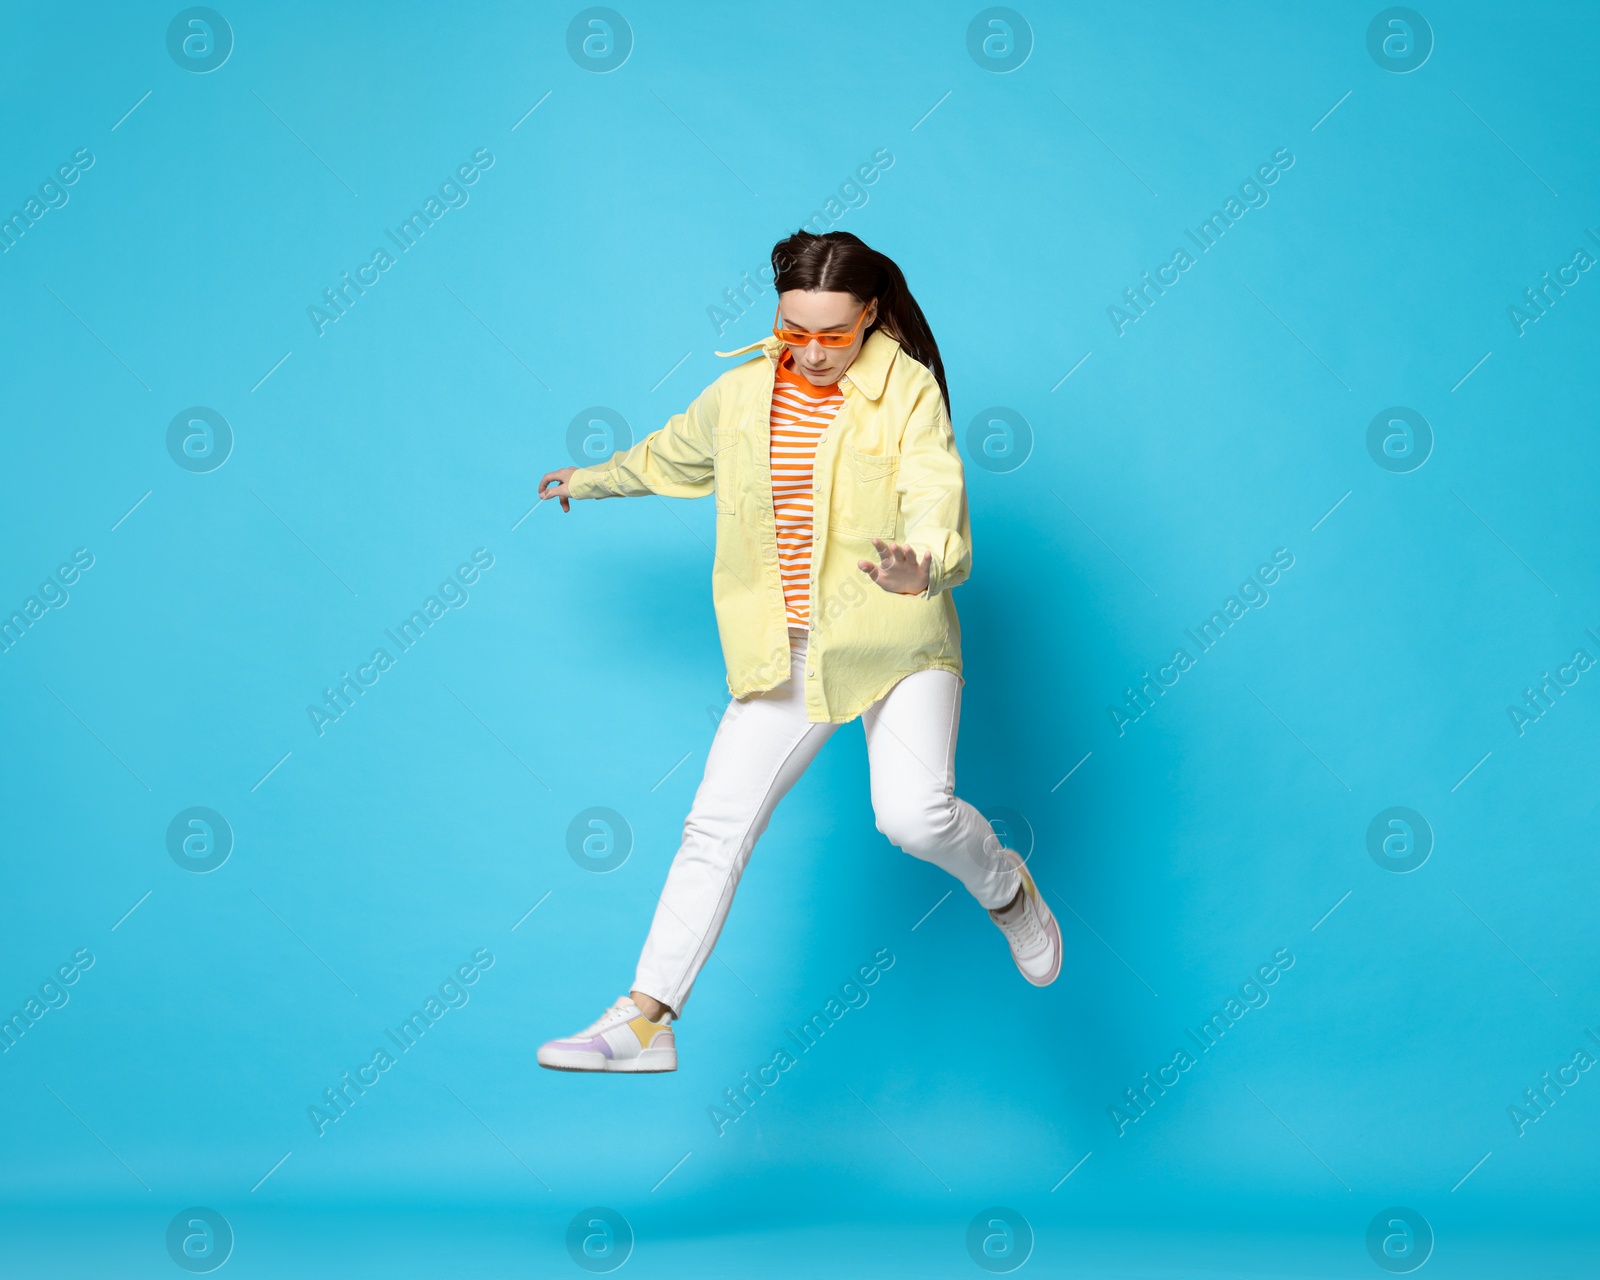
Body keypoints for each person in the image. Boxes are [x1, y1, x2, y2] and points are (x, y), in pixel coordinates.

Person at [535, 230, 1060, 1074]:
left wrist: (920, 564)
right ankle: (644, 1020)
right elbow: (672, 453)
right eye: (794, 331)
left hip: (897, 638)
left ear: (871, 317)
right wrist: (592, 478)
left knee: (912, 817)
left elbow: (935, 488)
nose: (813, 352)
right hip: (788, 650)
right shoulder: (740, 394)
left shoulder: (908, 392)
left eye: (835, 334)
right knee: (715, 824)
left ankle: (1007, 889)